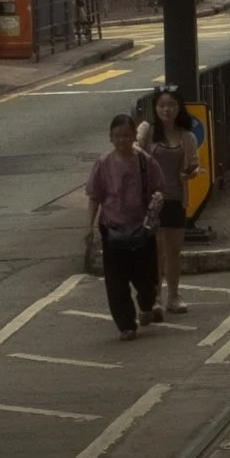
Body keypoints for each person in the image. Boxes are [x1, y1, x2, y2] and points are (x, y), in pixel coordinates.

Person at [84, 112, 163, 336]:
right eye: (117, 136)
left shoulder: (145, 161)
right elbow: (94, 198)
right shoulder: (103, 164)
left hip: (141, 229)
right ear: (111, 137)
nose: (122, 140)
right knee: (116, 282)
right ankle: (126, 325)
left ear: (134, 136)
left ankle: (146, 305)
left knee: (147, 278)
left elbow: (159, 187)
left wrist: (157, 202)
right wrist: (89, 227)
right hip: (113, 229)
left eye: (126, 135)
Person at [137, 83, 201, 315]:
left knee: (174, 251)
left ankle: (174, 296)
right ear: (155, 108)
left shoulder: (187, 137)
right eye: (162, 106)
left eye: (171, 105)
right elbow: (134, 150)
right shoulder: (147, 131)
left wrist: (191, 172)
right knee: (155, 250)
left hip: (176, 198)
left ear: (179, 108)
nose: (166, 110)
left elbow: (194, 164)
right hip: (152, 201)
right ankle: (155, 296)